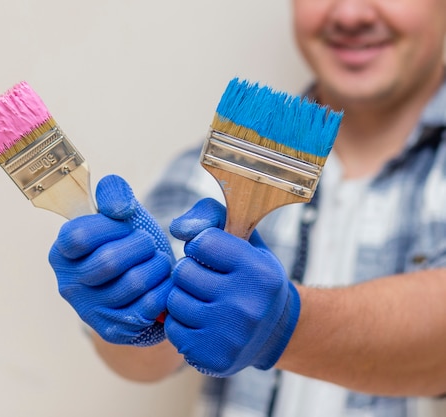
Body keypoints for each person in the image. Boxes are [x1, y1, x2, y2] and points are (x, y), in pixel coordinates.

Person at [48, 0, 446, 416]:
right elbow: (145, 362)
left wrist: (288, 324)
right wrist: (131, 308)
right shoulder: (208, 170)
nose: (349, 15)